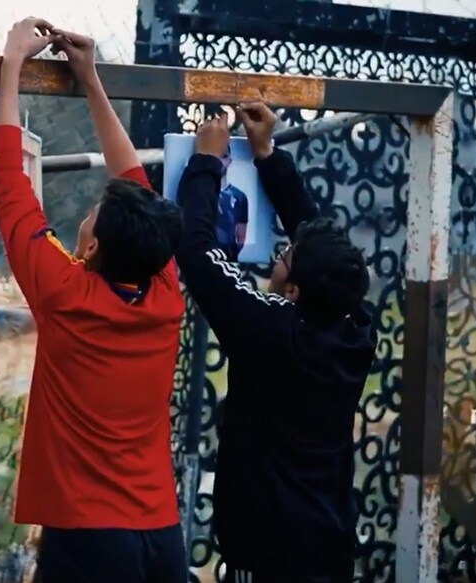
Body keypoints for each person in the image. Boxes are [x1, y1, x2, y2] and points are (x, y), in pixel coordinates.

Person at [0, 19, 187, 582]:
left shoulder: (66, 295)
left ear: (93, 245)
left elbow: (8, 183)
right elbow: (136, 184)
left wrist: (12, 65)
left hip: (89, 541)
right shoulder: (163, 289)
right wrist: (91, 82)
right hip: (160, 538)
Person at [174, 104, 376, 583]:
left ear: (294, 291)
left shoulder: (271, 331)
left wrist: (205, 162)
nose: (278, 256)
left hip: (266, 554)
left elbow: (200, 257)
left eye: (284, 258)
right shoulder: (355, 330)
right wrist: (266, 154)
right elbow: (322, 248)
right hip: (328, 549)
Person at [215, 146, 250, 261]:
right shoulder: (200, 194)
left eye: (223, 156)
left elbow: (241, 238)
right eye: (215, 156)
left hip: (229, 260)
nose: (219, 161)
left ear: (229, 161)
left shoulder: (239, 196)